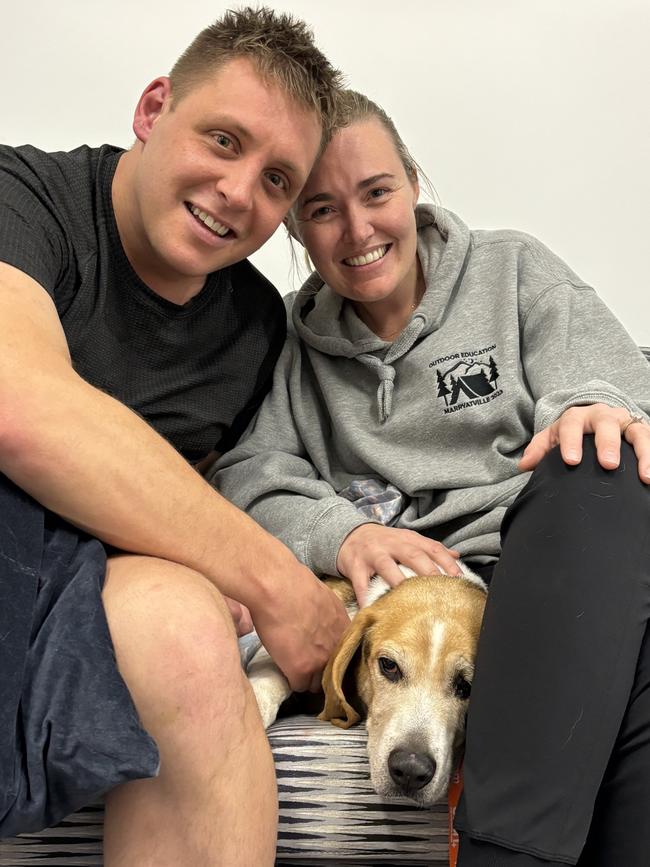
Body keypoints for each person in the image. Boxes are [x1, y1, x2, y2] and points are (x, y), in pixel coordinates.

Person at [212, 89, 650, 866]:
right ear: (293, 227)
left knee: (601, 460)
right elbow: (247, 470)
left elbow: (594, 363)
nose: (358, 230)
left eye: (377, 192)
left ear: (413, 183)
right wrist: (343, 532)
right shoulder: (285, 345)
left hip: (541, 581)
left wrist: (593, 404)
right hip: (400, 597)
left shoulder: (511, 268)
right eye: (321, 209)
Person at [0, 8, 352, 866]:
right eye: (223, 141)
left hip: (94, 584)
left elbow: (215, 492)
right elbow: (18, 406)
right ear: (154, 110)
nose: (240, 193)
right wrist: (273, 581)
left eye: (277, 180)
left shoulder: (257, 330)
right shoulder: (24, 197)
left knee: (189, 628)